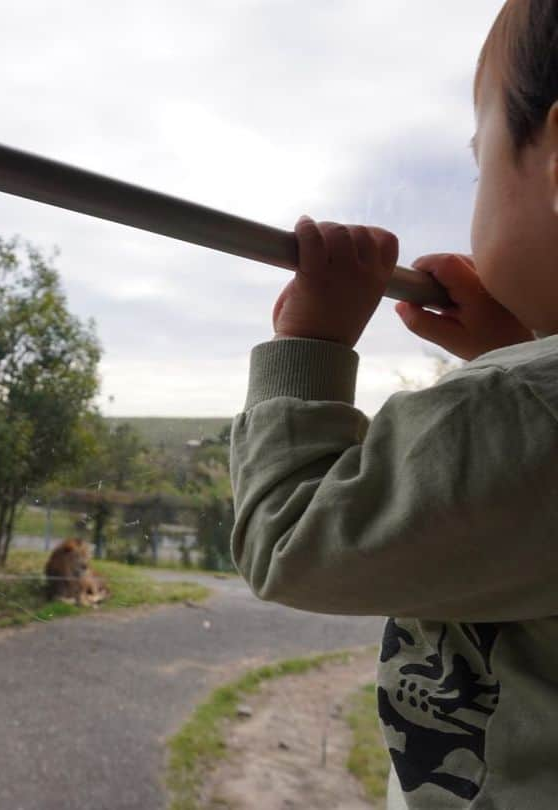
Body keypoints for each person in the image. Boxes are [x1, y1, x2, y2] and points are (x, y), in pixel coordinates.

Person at [228, 1, 558, 807]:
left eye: (482, 162)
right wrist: (517, 348)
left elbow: (289, 540)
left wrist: (311, 346)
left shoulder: (530, 410)